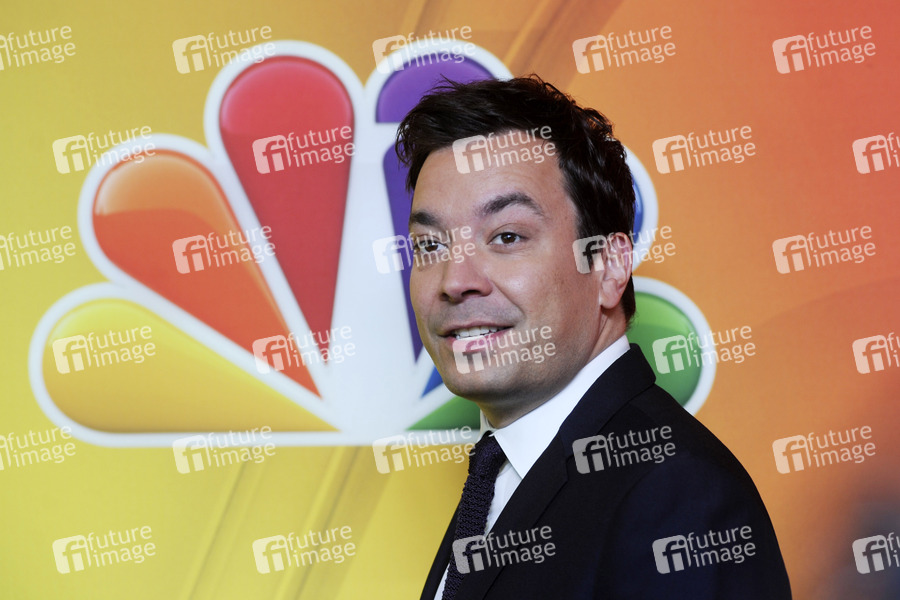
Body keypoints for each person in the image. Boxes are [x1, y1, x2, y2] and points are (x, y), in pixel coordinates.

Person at [395, 75, 792, 599]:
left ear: (609, 266)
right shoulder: (500, 475)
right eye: (430, 246)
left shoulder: (680, 497)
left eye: (507, 237)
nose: (454, 280)